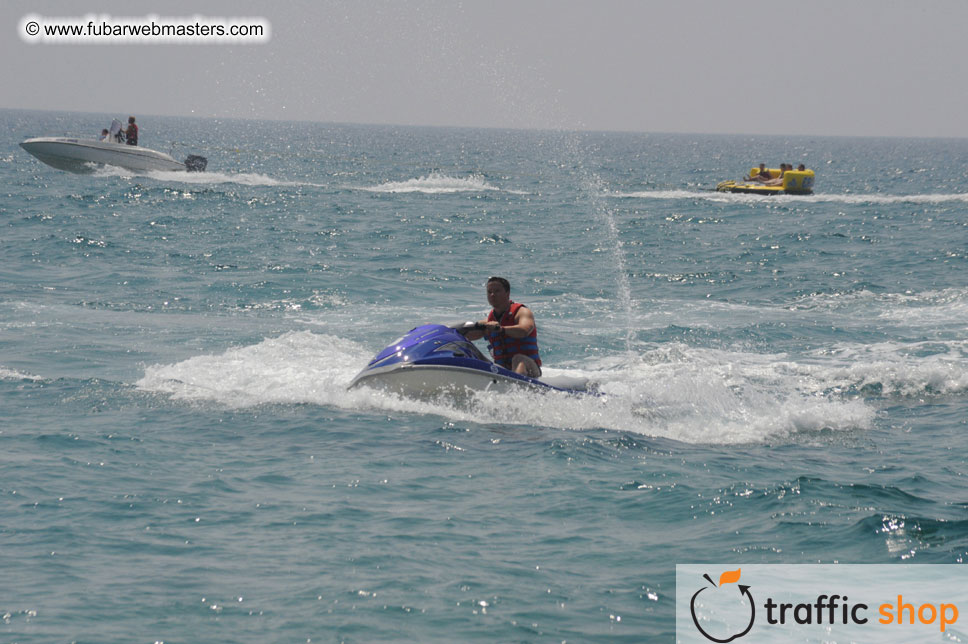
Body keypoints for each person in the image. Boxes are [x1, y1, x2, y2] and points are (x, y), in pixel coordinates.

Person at [464, 276, 542, 377]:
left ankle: (518, 386)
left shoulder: (522, 312)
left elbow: (524, 330)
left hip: (530, 369)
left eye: (497, 291)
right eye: (489, 292)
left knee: (518, 359)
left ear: (507, 293)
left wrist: (501, 329)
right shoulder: (489, 322)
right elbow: (468, 335)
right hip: (504, 372)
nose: (492, 295)